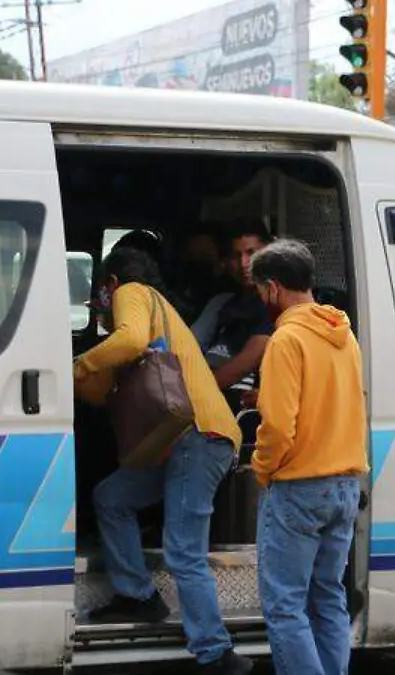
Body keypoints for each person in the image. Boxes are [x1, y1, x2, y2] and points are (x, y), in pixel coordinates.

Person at [72, 247, 254, 675]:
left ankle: (217, 653)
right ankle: (138, 595)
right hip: (175, 442)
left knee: (183, 551)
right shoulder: (154, 313)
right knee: (111, 496)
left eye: (101, 291)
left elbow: (131, 340)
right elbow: (101, 392)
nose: (101, 299)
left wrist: (79, 362)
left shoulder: (131, 291)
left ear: (110, 282)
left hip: (201, 436)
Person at [248, 239, 368, 675]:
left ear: (274, 289)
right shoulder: (343, 334)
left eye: (261, 289)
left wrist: (261, 468)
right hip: (345, 484)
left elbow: (279, 426)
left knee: (285, 607)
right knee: (328, 598)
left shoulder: (287, 339)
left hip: (299, 486)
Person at [194, 219, 275, 410]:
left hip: (230, 404)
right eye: (235, 256)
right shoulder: (223, 303)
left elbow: (244, 364)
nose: (243, 264)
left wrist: (194, 394)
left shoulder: (272, 304)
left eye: (251, 253)